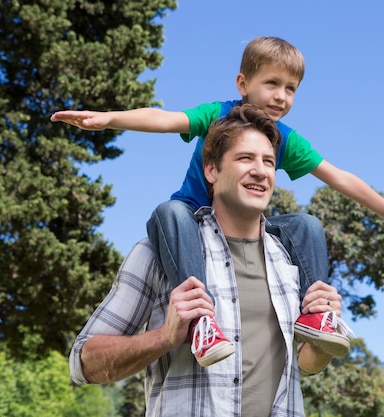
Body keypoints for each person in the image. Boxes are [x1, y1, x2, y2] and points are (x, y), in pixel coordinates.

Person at [52, 36, 384, 366]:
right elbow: (165, 119)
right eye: (272, 83)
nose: (281, 96)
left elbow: (338, 176)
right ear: (243, 83)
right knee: (168, 211)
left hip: (243, 225)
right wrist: (107, 119)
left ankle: (316, 316)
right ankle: (201, 322)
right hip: (192, 218)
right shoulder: (217, 115)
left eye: (291, 88)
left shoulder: (284, 137)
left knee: (307, 224)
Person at [70, 103, 338, 417]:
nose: (260, 170)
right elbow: (83, 362)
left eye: (268, 162)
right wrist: (163, 337)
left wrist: (320, 347)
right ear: (211, 170)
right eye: (244, 158)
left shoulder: (291, 262)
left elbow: (306, 365)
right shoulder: (159, 252)